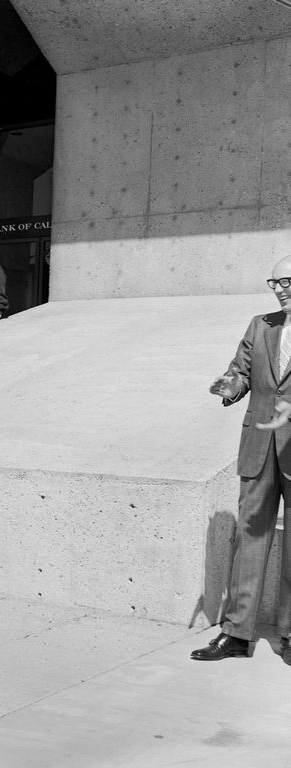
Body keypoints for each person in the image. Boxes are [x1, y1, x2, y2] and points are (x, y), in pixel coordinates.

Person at [191, 255, 291, 664]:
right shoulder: (261, 324)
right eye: (273, 284)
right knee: (250, 537)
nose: (278, 289)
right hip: (258, 446)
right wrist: (228, 385)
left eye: (285, 281)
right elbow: (242, 372)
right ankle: (237, 634)